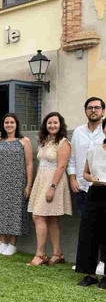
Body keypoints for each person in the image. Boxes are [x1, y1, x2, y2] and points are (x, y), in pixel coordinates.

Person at [27, 112, 72, 266]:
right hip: (41, 179)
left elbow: (61, 166)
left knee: (38, 216)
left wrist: (52, 187)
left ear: (61, 125)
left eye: (55, 123)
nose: (52, 125)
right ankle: (57, 253)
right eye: (49, 123)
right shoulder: (44, 141)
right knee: (51, 218)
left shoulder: (64, 142)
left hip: (55, 181)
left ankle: (40, 255)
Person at [68, 97, 105, 275]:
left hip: (102, 188)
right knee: (87, 226)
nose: (93, 110)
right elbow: (73, 158)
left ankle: (102, 262)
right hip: (83, 186)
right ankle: (87, 263)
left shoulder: (104, 131)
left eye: (97, 108)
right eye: (90, 108)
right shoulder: (78, 132)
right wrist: (73, 178)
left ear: (103, 111)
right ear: (85, 111)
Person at [0, 113, 33, 256]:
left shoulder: (24, 141)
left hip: (17, 183)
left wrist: (28, 185)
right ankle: (2, 243)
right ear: (3, 125)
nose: (9, 125)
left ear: (16, 124)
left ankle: (13, 245)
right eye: (6, 122)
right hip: (0, 182)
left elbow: (29, 164)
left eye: (12, 122)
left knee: (15, 212)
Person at [75, 118, 106, 288]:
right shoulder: (94, 150)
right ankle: (89, 274)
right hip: (95, 192)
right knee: (89, 233)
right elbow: (85, 173)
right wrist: (91, 178)